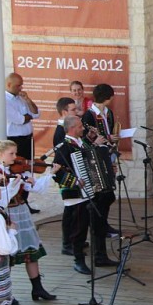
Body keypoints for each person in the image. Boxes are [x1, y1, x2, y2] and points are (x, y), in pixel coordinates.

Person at [0, 141, 58, 301]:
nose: (15, 157)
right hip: (6, 215)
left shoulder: (17, 171)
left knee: (31, 250)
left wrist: (50, 174)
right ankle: (7, 292)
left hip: (21, 212)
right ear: (0, 154)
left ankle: (37, 288)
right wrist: (14, 183)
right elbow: (1, 199)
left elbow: (37, 188)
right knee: (7, 253)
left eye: (15, 153)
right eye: (11, 154)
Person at [52, 116, 118, 274]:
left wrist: (108, 168)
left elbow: (93, 159)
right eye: (80, 126)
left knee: (99, 223)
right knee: (79, 229)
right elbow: (56, 173)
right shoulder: (63, 147)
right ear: (72, 128)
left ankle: (100, 255)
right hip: (77, 195)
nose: (83, 128)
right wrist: (74, 181)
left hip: (93, 191)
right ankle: (78, 261)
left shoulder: (82, 143)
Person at [82, 84, 120, 238]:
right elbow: (86, 139)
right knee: (102, 194)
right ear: (107, 97)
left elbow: (109, 130)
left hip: (108, 154)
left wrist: (113, 138)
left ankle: (103, 224)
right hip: (96, 158)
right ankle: (98, 226)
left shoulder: (108, 112)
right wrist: (107, 138)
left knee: (109, 192)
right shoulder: (89, 115)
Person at [5, 73, 39, 210]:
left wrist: (28, 100)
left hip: (27, 139)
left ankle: (25, 201)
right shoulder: (4, 100)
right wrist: (28, 116)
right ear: (9, 85)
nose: (21, 88)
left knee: (28, 169)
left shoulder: (21, 98)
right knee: (16, 170)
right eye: (18, 85)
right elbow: (19, 119)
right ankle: (16, 202)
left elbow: (36, 113)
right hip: (15, 141)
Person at [54, 97, 78, 252]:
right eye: (73, 110)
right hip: (66, 177)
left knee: (76, 210)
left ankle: (73, 239)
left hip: (74, 175)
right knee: (70, 209)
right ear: (64, 112)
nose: (77, 112)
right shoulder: (60, 132)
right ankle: (67, 243)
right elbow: (61, 158)